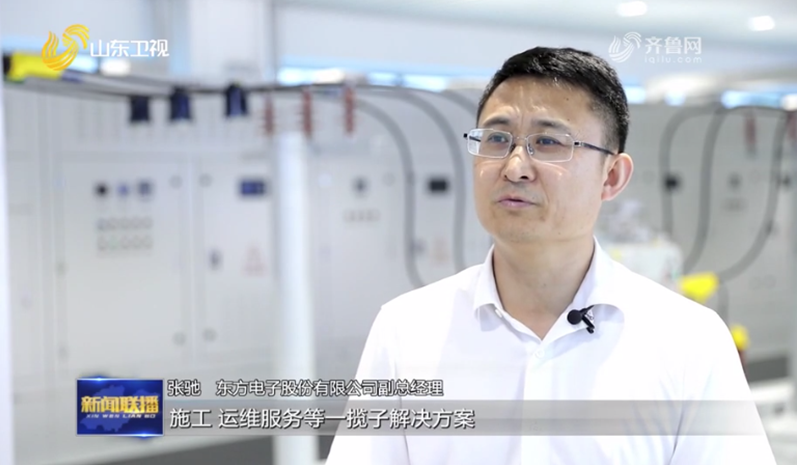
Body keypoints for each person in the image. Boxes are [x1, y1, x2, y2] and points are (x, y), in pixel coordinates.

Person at [324, 47, 776, 464]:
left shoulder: (689, 342)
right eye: (497, 139)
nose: (515, 166)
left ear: (612, 177)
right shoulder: (405, 330)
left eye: (548, 143)